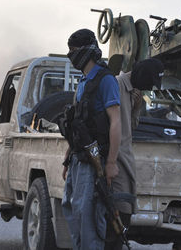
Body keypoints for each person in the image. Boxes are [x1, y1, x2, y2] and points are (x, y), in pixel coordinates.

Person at [61, 29, 121, 250]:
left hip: (94, 160)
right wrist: (68, 158)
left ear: (87, 51)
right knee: (72, 209)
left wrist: (112, 162)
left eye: (74, 51)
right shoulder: (84, 82)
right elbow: (77, 123)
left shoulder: (106, 81)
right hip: (78, 158)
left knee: (88, 217)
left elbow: (116, 122)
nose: (71, 55)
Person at [105, 58, 164, 250]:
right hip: (116, 161)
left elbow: (130, 126)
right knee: (118, 215)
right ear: (140, 76)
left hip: (126, 160)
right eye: (149, 83)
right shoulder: (116, 85)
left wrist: (137, 107)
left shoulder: (136, 92)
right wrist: (111, 162)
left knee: (125, 214)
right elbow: (110, 124)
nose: (149, 88)